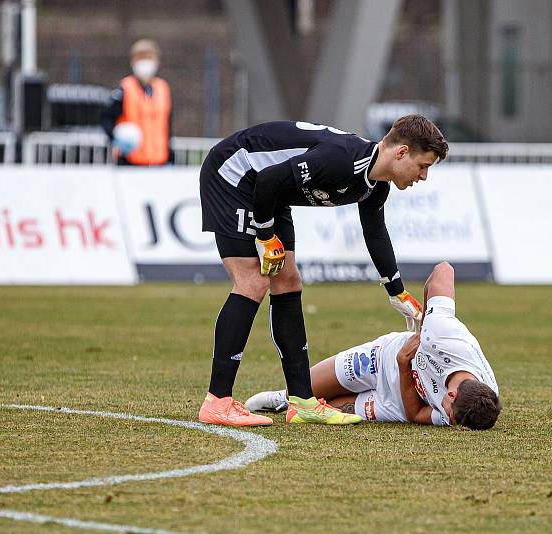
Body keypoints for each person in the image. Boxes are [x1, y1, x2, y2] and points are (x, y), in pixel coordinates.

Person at [197, 116, 449, 427]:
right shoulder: (342, 160)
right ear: (401, 152)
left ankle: (301, 401)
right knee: (253, 280)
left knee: (288, 282)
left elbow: (375, 233)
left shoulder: (375, 186)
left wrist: (397, 291)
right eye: (422, 166)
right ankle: (217, 400)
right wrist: (264, 236)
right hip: (235, 173)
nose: (423, 176)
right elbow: (268, 180)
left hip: (271, 192)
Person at [246, 262, 502, 430]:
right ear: (452, 395)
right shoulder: (445, 336)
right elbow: (444, 269)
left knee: (325, 411)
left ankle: (289, 403)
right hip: (380, 359)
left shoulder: (475, 406)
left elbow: (415, 414)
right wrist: (425, 326)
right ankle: (282, 397)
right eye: (451, 415)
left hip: (395, 405)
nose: (449, 422)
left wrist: (404, 365)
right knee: (303, 391)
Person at [102, 39, 172, 166]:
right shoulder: (124, 89)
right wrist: (117, 138)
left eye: (149, 57)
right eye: (141, 58)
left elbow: (167, 125)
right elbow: (107, 119)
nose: (145, 62)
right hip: (130, 161)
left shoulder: (163, 88)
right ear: (133, 62)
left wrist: (170, 155)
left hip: (159, 161)